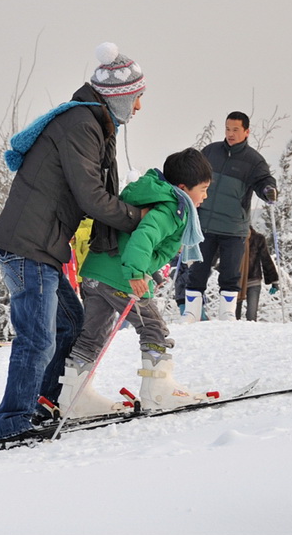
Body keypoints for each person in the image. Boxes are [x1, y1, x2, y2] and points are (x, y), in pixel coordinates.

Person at [0, 42, 148, 449]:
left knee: (69, 324)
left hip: (43, 244)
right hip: (30, 245)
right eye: (138, 99)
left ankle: (43, 403)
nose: (140, 108)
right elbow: (92, 196)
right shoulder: (81, 124)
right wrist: (137, 219)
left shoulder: (93, 124)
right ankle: (11, 424)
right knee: (37, 337)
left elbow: (95, 193)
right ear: (121, 97)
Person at [59, 148, 212, 416]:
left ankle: (74, 395)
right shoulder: (170, 208)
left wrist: (147, 271)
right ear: (183, 188)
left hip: (96, 274)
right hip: (121, 277)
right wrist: (137, 273)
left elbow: (132, 240)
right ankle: (158, 390)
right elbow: (144, 238)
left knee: (92, 336)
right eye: (203, 189)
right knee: (153, 328)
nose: (205, 196)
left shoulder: (151, 198)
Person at [184, 112, 277, 322]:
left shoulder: (253, 161)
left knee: (230, 273)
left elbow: (264, 181)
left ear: (246, 131)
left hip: (233, 228)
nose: (230, 134)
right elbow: (191, 172)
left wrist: (269, 190)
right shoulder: (211, 151)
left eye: (235, 129)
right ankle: (191, 313)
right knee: (197, 270)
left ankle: (227, 313)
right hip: (204, 224)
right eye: (227, 129)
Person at [236, 226, 280, 321]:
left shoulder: (258, 239)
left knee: (251, 315)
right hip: (235, 281)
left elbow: (266, 259)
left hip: (253, 281)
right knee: (234, 315)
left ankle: (251, 334)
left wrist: (274, 280)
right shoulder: (233, 238)